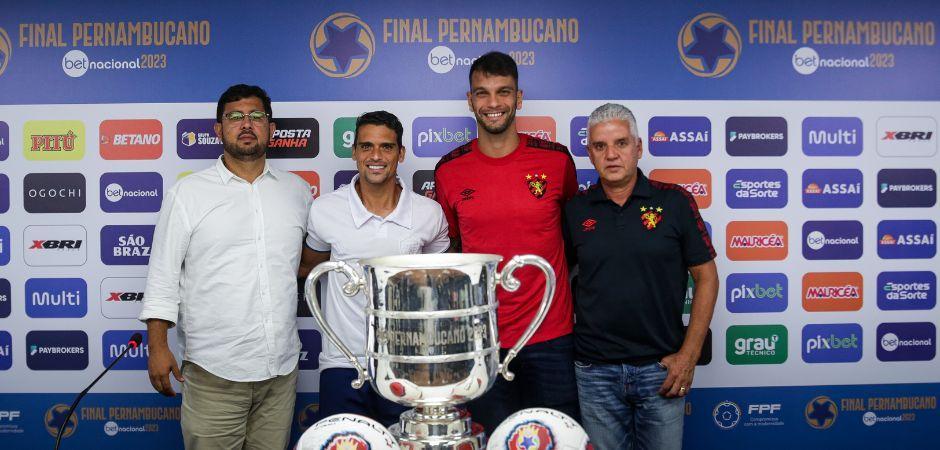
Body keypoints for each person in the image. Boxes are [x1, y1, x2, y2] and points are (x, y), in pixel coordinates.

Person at [140, 84, 312, 450]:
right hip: (215, 372)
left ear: (272, 128)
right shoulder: (188, 194)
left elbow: (303, 263)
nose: (246, 124)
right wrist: (157, 346)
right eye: (235, 117)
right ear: (219, 129)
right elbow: (163, 274)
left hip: (279, 372)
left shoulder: (297, 192)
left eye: (256, 117)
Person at [434, 51, 580, 432]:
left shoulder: (556, 161)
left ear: (519, 98)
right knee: (494, 438)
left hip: (552, 336)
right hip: (483, 339)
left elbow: (577, 236)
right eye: (482, 93)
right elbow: (452, 250)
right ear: (470, 101)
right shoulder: (449, 170)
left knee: (558, 439)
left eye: (504, 92)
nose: (493, 103)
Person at [563, 103, 719, 450]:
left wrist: (688, 356)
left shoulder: (675, 202)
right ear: (589, 153)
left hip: (661, 369)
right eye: (600, 146)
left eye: (621, 143)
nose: (612, 155)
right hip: (595, 372)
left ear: (638, 147)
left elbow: (706, 276)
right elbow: (563, 277)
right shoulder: (576, 210)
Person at [299, 110, 449, 426]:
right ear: (354, 152)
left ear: (401, 153)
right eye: (366, 146)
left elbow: (442, 284)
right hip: (342, 363)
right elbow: (308, 268)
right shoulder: (325, 209)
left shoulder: (429, 213)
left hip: (408, 363)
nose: (375, 156)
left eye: (386, 147)